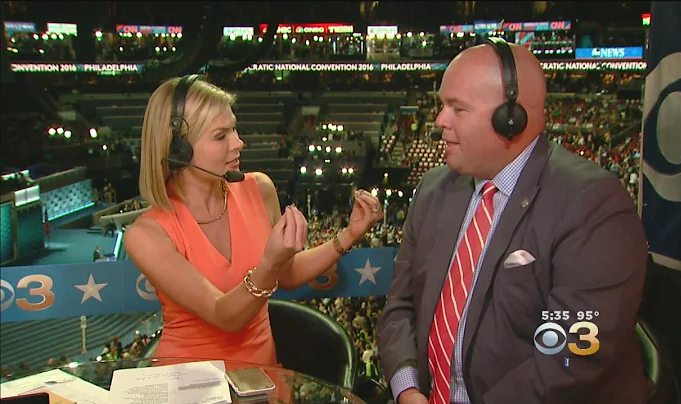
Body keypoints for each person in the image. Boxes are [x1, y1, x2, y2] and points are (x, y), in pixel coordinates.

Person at [377, 40, 648, 404]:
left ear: (511, 118)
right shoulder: (433, 189)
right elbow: (399, 307)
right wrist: (408, 389)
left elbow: (571, 358)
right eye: (442, 105)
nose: (440, 120)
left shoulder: (593, 204)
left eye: (457, 108)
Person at [124, 76, 383, 366]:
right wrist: (269, 263)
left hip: (262, 376)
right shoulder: (147, 234)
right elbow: (224, 315)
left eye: (234, 129)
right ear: (178, 149)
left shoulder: (259, 189)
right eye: (221, 136)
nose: (238, 142)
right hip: (188, 383)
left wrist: (349, 234)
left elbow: (288, 274)